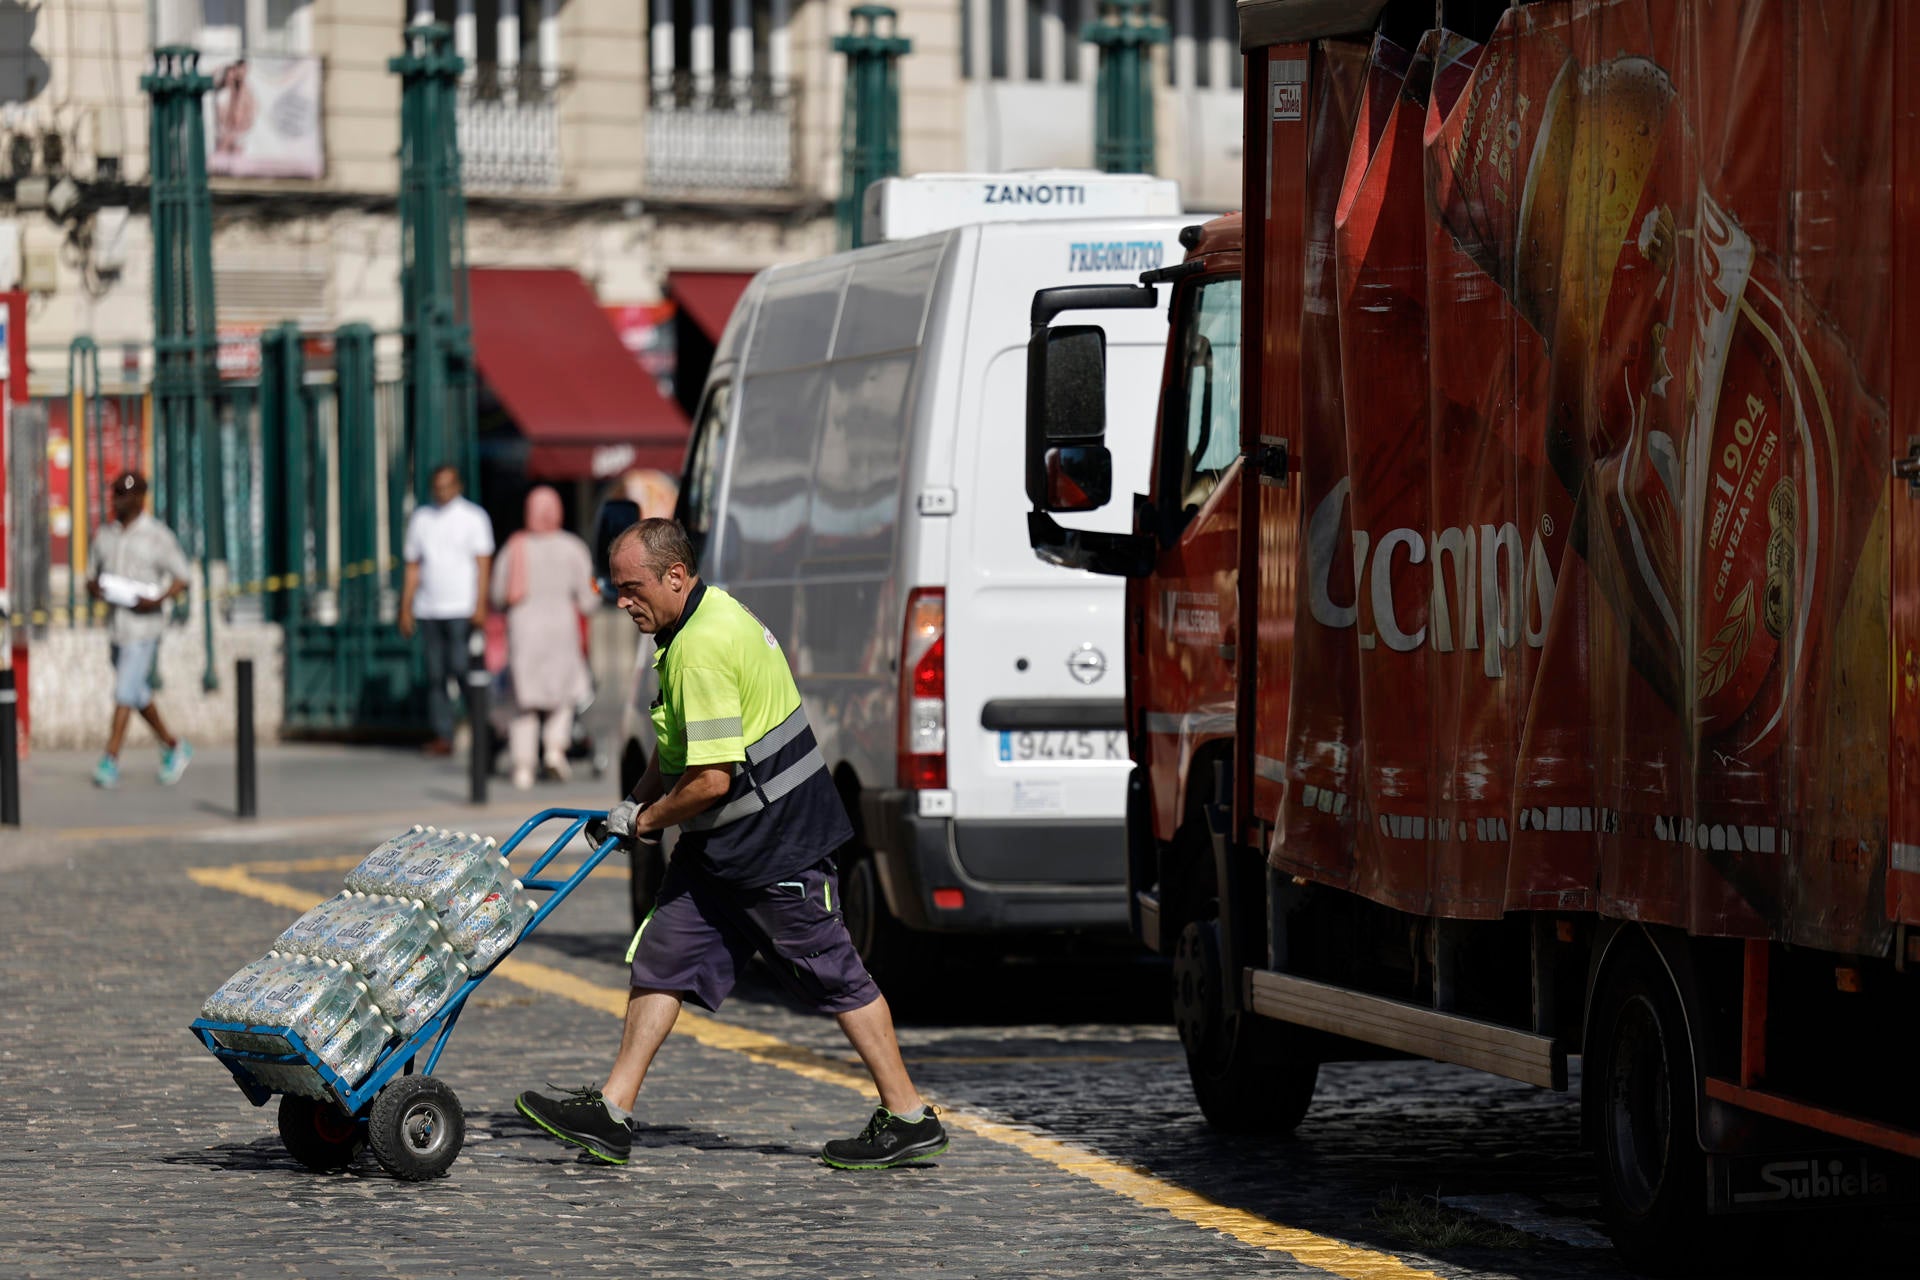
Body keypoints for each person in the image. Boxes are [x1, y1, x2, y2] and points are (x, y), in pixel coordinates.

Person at [515, 518, 948, 1170]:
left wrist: (647, 821)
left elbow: (711, 781)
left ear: (676, 576)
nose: (622, 602)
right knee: (662, 961)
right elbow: (682, 747)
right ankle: (612, 1111)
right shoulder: (694, 622)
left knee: (834, 973)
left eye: (632, 589)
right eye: (616, 589)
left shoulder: (701, 649)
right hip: (727, 847)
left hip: (776, 845)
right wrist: (633, 805)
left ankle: (910, 1117)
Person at [86, 471, 193, 789]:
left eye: (125, 494)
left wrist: (157, 598)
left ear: (140, 498)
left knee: (123, 692)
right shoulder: (105, 535)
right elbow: (91, 575)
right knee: (136, 693)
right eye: (116, 492)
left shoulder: (158, 536)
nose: (118, 499)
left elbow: (182, 576)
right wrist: (95, 588)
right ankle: (174, 746)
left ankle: (110, 759)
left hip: (145, 627)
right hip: (117, 626)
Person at [489, 486, 597, 789]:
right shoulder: (573, 547)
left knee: (523, 703)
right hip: (561, 630)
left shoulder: (514, 548)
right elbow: (589, 598)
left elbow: (497, 594)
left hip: (524, 631)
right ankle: (554, 751)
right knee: (561, 699)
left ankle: (523, 767)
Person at [399, 464, 495, 757]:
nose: (442, 491)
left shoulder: (473, 517)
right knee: (436, 674)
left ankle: (482, 726)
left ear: (458, 486)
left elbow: (482, 563)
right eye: (437, 486)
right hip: (429, 607)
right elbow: (413, 566)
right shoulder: (421, 518)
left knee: (461, 667)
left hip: (460, 606)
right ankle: (444, 734)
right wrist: (406, 606)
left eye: (447, 485)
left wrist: (480, 604)